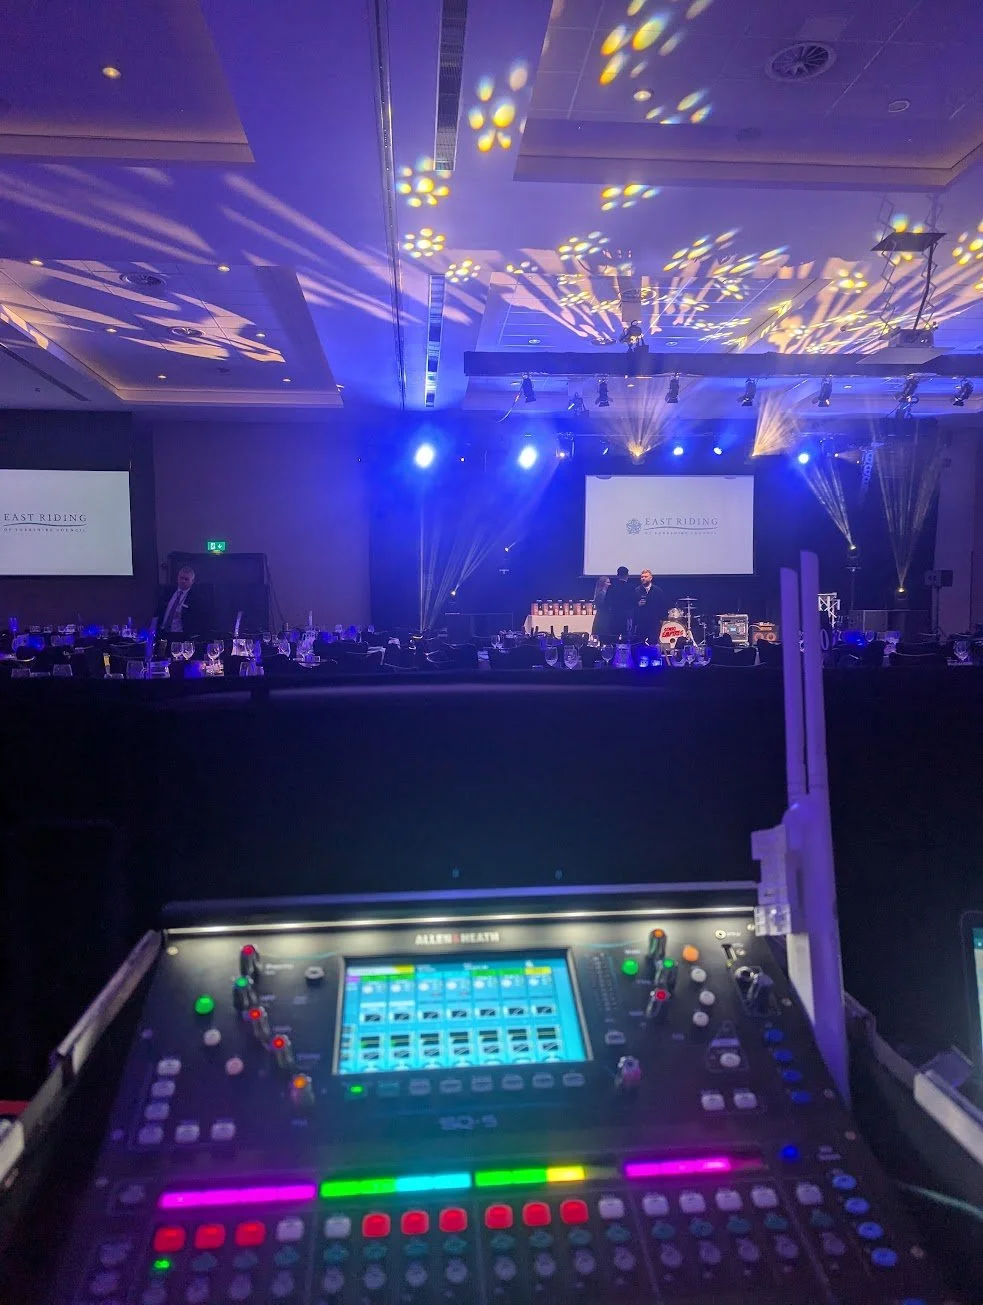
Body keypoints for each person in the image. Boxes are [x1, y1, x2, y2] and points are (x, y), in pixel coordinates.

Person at [155, 566, 204, 636]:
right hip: (162, 631)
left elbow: (198, 619)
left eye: (186, 579)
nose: (183, 581)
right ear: (178, 578)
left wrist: (182, 614)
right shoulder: (168, 591)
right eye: (181, 578)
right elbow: (159, 610)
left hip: (180, 634)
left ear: (192, 581)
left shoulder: (196, 598)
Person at [633, 568, 665, 642]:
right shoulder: (636, 591)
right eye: (642, 577)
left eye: (645, 576)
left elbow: (662, 605)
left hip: (654, 622)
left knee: (653, 643)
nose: (643, 578)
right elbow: (631, 605)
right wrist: (637, 604)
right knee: (639, 643)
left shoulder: (658, 591)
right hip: (641, 622)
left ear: (650, 578)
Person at [604, 566, 635, 640]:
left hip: (614, 616)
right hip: (626, 617)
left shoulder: (611, 587)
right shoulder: (631, 587)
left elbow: (606, 602)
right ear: (627, 575)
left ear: (617, 575)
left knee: (613, 638)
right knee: (626, 638)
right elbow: (633, 602)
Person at [591, 575, 615, 641]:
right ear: (603, 583)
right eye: (608, 582)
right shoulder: (601, 594)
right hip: (603, 618)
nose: (610, 584)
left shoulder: (603, 593)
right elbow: (603, 606)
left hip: (603, 617)